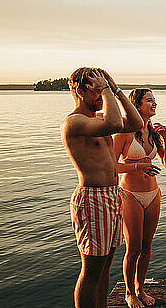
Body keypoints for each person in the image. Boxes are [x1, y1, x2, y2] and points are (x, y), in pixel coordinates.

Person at [61, 68, 143, 308]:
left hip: (111, 195)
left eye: (101, 91)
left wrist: (115, 90)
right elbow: (115, 122)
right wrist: (107, 91)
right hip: (92, 198)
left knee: (106, 263)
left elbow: (135, 122)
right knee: (92, 269)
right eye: (95, 91)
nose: (100, 97)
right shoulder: (74, 122)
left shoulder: (96, 120)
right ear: (79, 91)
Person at [113, 89, 166, 308]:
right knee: (134, 248)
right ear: (136, 105)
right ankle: (129, 293)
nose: (154, 103)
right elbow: (111, 166)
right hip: (130, 195)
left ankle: (140, 288)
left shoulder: (154, 132)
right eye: (149, 100)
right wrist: (138, 165)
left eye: (154, 100)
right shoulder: (124, 132)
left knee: (147, 246)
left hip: (153, 194)